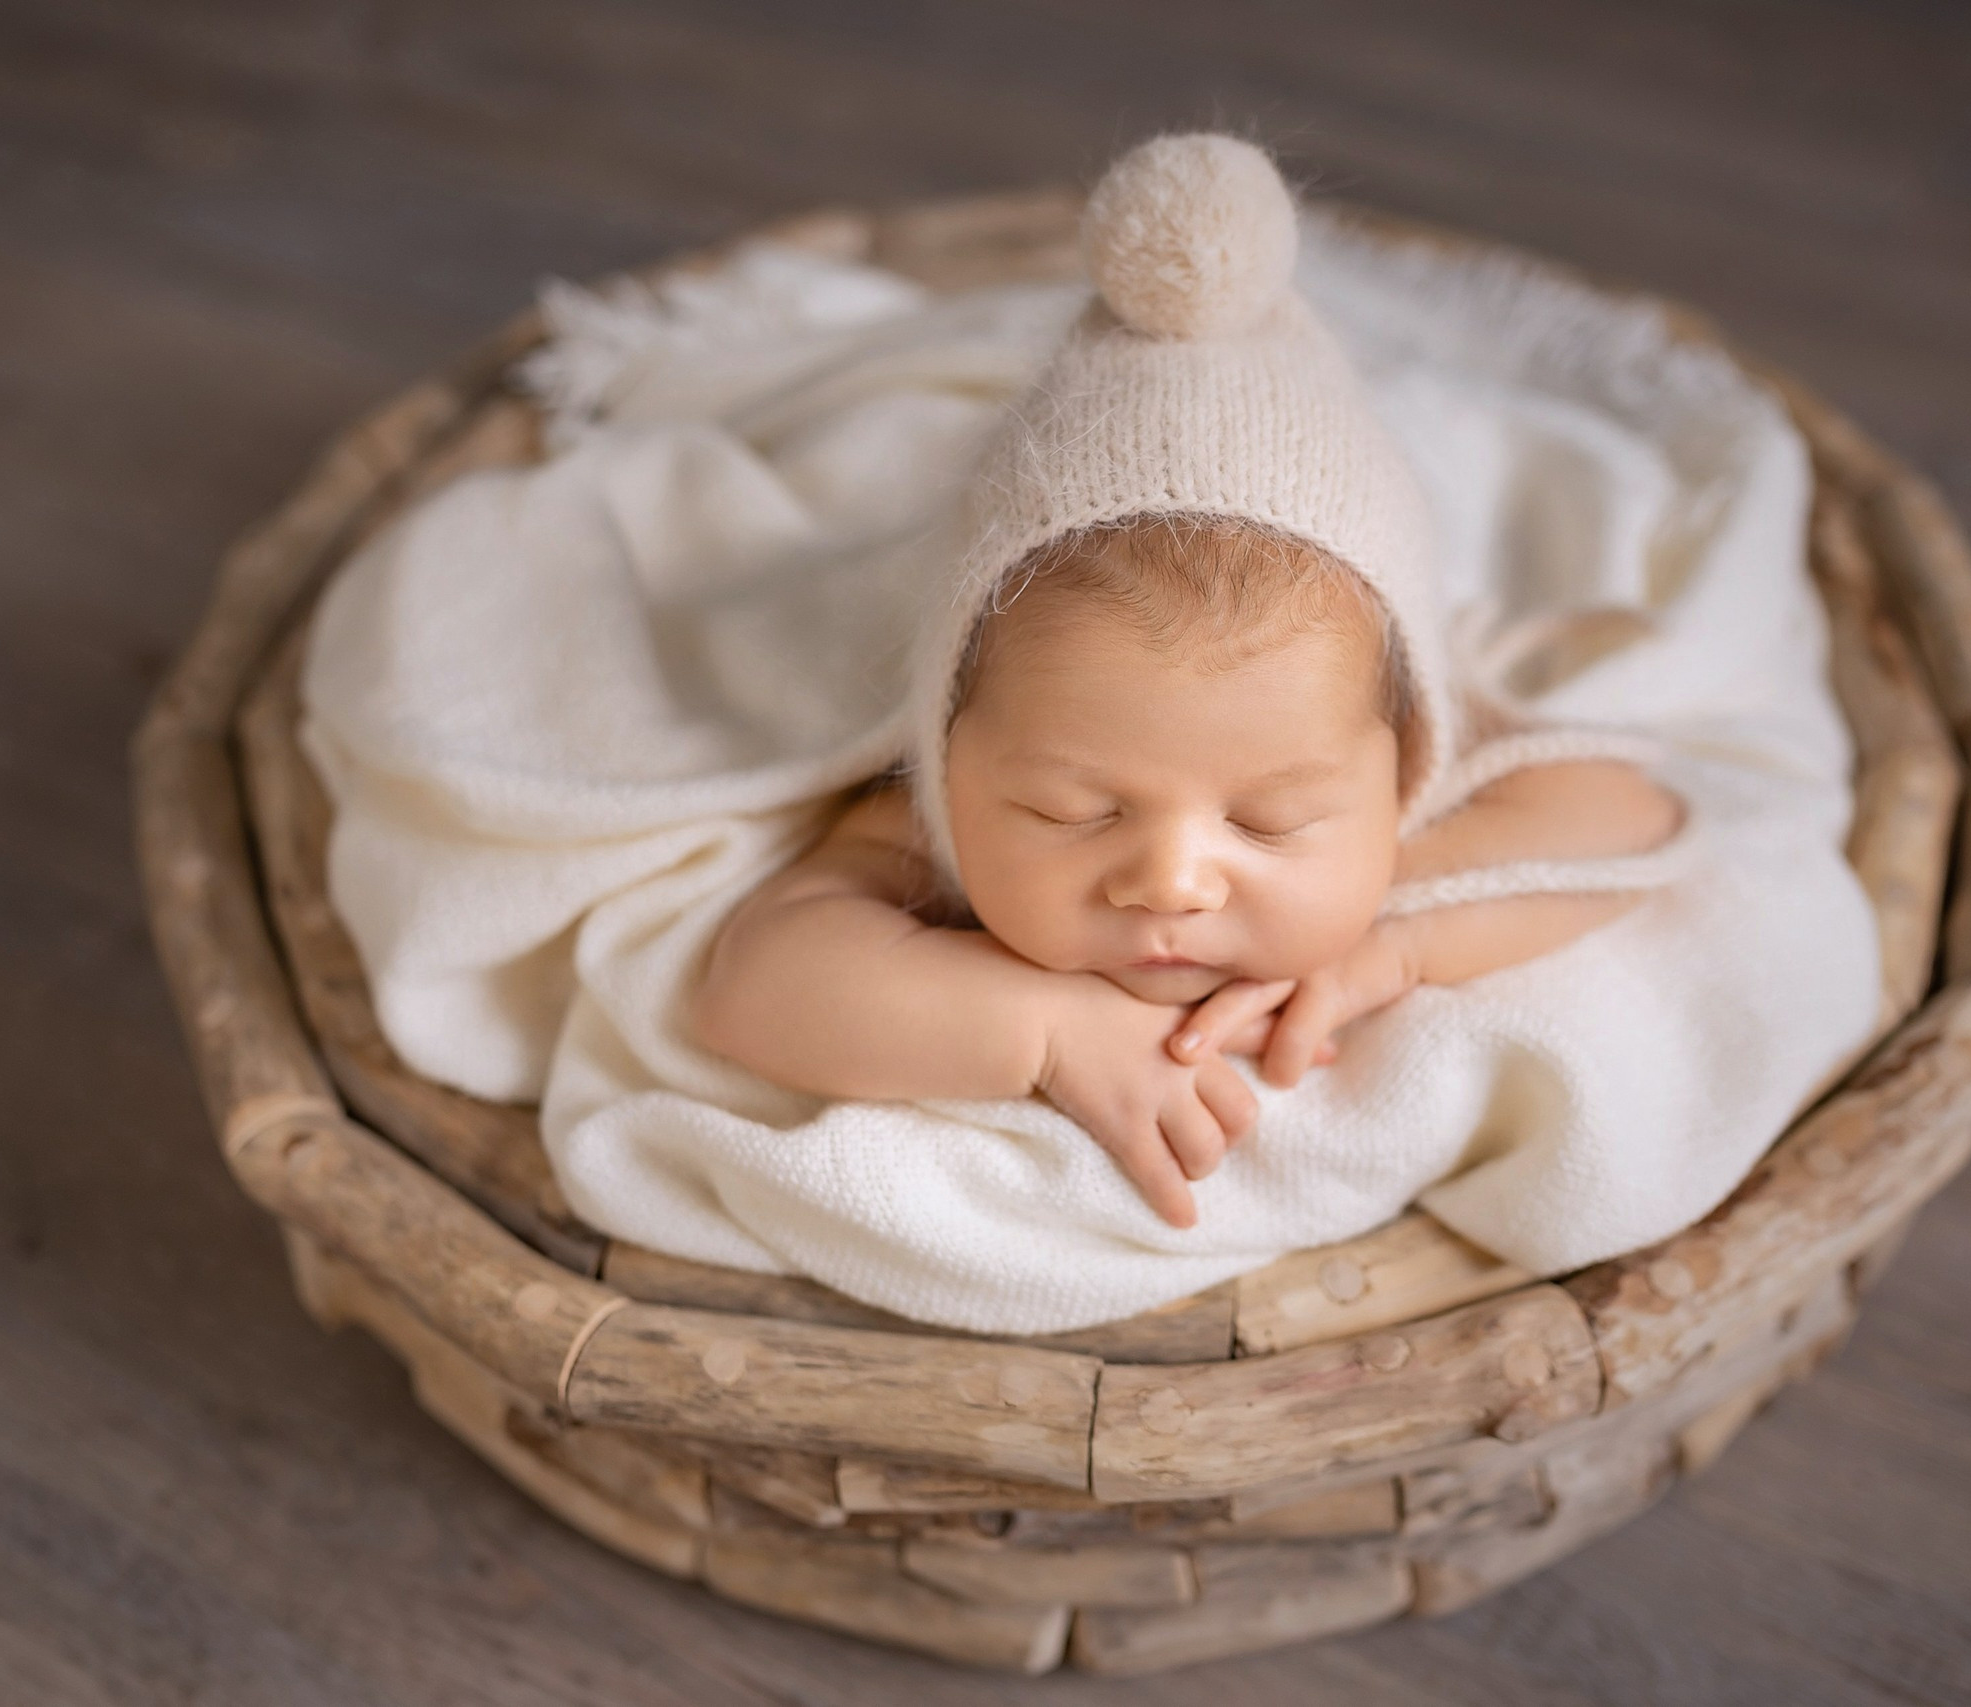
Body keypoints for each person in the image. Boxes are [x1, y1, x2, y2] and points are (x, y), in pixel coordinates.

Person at [689, 134, 1683, 1229]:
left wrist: (1391, 935)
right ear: (952, 747)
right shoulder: (941, 823)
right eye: (1073, 810)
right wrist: (1041, 1028)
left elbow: (1629, 816)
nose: (1170, 883)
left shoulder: (1365, 739)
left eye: (1272, 821)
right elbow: (756, 985)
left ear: (1404, 759)